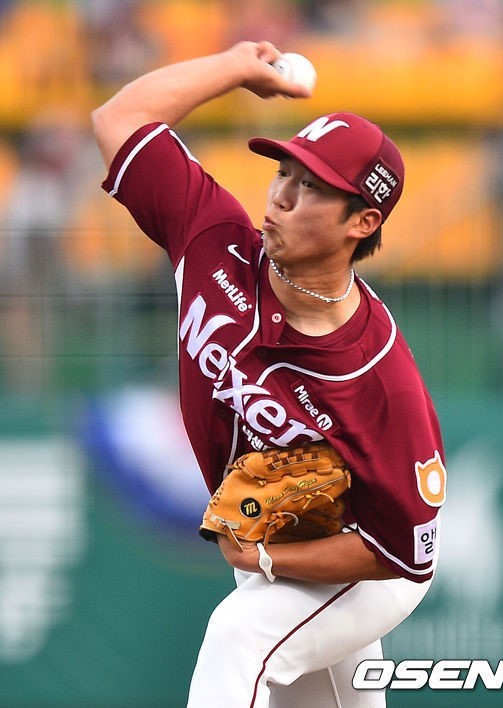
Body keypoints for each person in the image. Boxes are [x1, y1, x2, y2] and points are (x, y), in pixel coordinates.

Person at [92, 40, 446, 708]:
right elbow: (119, 119)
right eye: (284, 171)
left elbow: (402, 552)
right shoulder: (214, 242)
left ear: (363, 221)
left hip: (364, 566)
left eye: (311, 187)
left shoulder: (379, 377)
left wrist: (264, 558)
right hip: (280, 544)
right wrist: (234, 68)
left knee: (240, 638)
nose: (281, 196)